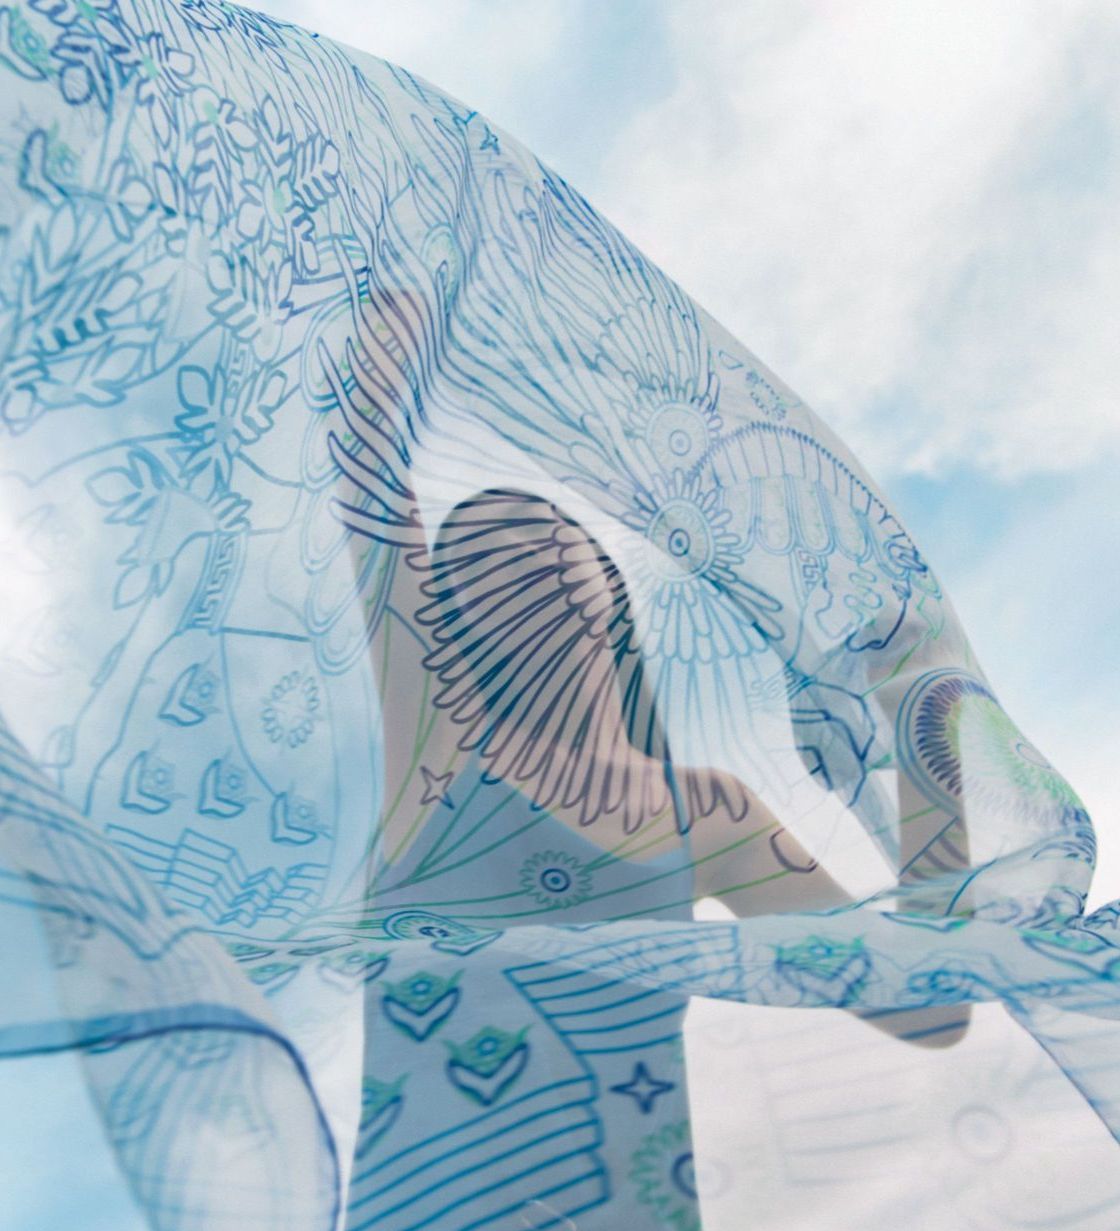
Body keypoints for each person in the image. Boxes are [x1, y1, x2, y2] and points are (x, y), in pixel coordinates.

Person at [0, 2, 1117, 1229]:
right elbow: (374, 508)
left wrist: (931, 765)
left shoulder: (689, 807)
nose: (508, 578)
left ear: (605, 613)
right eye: (475, 571)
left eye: (539, 555)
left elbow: (923, 1008)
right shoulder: (445, 762)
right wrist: (403, 295)